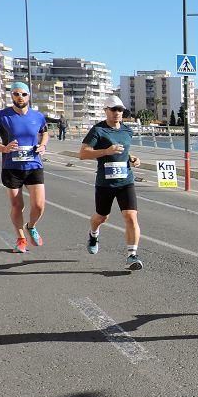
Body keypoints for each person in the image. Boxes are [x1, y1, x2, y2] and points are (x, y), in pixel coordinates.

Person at [0, 82, 49, 253]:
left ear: (29, 96)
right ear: (11, 95)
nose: (20, 97)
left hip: (34, 164)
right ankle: (20, 238)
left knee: (39, 205)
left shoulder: (38, 116)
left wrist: (43, 146)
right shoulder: (2, 116)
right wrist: (3, 148)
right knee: (17, 205)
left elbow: (45, 132)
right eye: (16, 94)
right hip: (12, 167)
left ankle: (31, 226)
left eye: (24, 94)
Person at [79, 96, 144, 270]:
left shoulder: (127, 131)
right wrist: (106, 151)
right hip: (105, 183)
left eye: (120, 110)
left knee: (131, 216)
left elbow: (125, 153)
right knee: (101, 217)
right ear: (106, 110)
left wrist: (133, 159)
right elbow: (83, 153)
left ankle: (132, 255)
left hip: (126, 181)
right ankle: (93, 234)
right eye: (113, 109)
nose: (117, 113)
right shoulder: (98, 130)